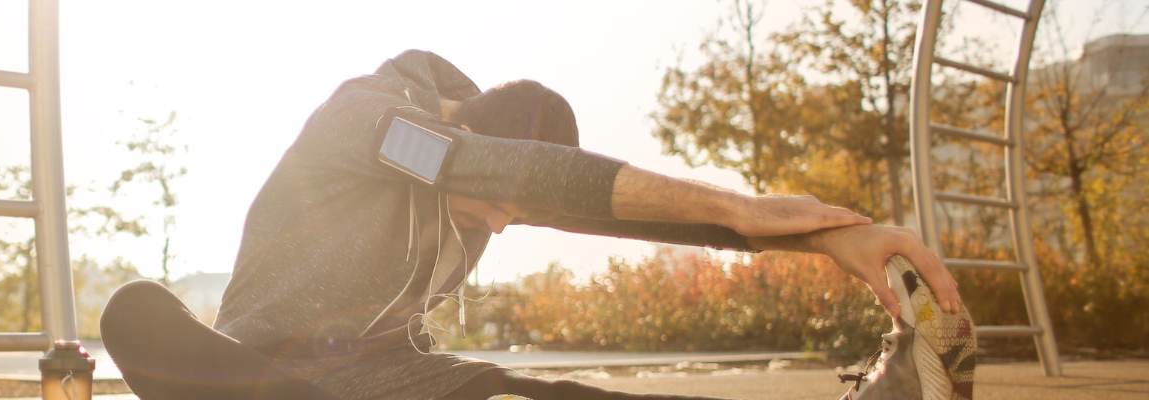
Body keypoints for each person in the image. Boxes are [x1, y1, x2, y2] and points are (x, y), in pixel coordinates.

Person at [100, 50, 974, 400]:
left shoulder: (480, 167)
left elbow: (597, 207)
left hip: (385, 380)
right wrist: (742, 209)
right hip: (251, 376)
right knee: (134, 311)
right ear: (466, 131)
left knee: (564, 399)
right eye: (503, 209)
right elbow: (488, 170)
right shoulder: (372, 117)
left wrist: (820, 236)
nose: (506, 229)